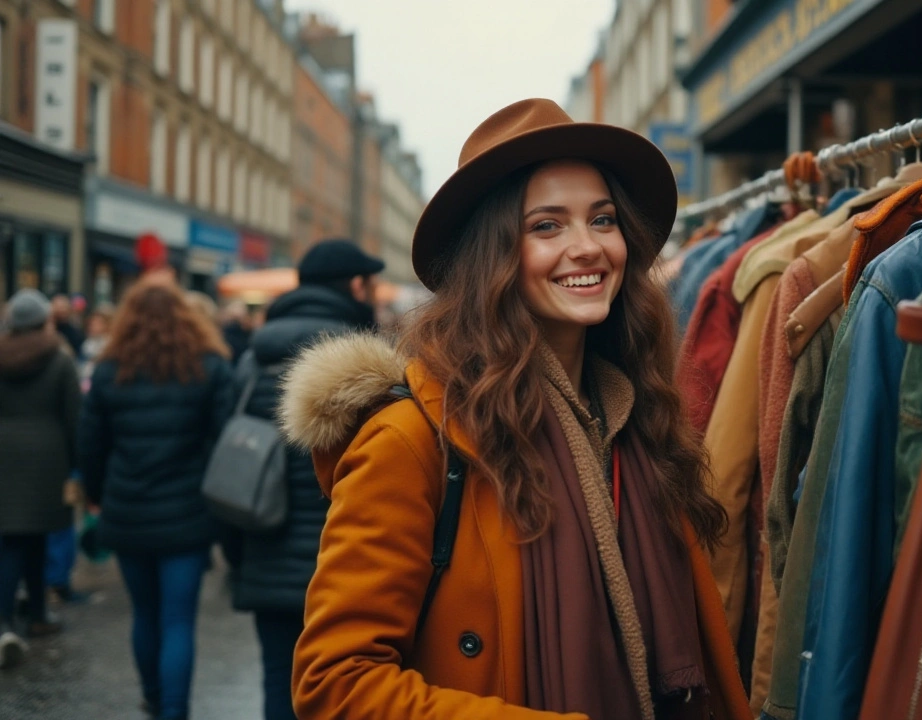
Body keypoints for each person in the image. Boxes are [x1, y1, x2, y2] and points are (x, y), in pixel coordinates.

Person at [284, 99, 751, 720]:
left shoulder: (637, 419)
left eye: (603, 219)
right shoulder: (411, 439)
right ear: (493, 256)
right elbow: (333, 683)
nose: (586, 247)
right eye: (547, 226)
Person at [227, 238, 383, 720]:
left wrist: (237, 553)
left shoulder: (255, 357)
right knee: (343, 691)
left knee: (279, 677)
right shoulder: (364, 360)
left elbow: (230, 449)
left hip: (265, 544)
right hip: (343, 560)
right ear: (356, 285)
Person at [78, 282, 235, 719]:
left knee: (144, 614)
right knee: (178, 620)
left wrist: (94, 496)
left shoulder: (109, 371)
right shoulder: (207, 366)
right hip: (187, 513)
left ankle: (151, 697)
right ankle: (174, 710)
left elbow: (90, 444)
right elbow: (223, 439)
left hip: (127, 509)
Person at [0, 290, 81, 668]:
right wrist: (76, 463)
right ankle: (36, 615)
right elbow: (72, 416)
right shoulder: (59, 358)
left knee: (10, 541)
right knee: (35, 540)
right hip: (47, 459)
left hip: (5, 456)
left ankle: (6, 620)